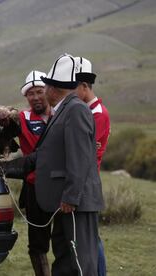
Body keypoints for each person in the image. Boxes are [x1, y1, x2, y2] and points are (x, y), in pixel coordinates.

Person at [33, 54, 104, 276]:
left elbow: (80, 157)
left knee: (80, 263)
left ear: (53, 89)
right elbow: (49, 155)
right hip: (66, 203)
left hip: (75, 204)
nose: (43, 91)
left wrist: (71, 197)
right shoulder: (65, 109)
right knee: (65, 261)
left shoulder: (76, 110)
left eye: (45, 87)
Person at [75, 56, 111, 276]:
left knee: (91, 238)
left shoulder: (97, 114)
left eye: (74, 88)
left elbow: (86, 151)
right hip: (86, 181)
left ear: (85, 87)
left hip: (88, 182)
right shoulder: (90, 111)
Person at [17, 70, 52, 276]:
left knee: (66, 237)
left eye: (39, 91)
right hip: (34, 186)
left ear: (48, 91)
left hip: (62, 185)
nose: (36, 97)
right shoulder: (22, 118)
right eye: (30, 94)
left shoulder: (61, 114)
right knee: (38, 242)